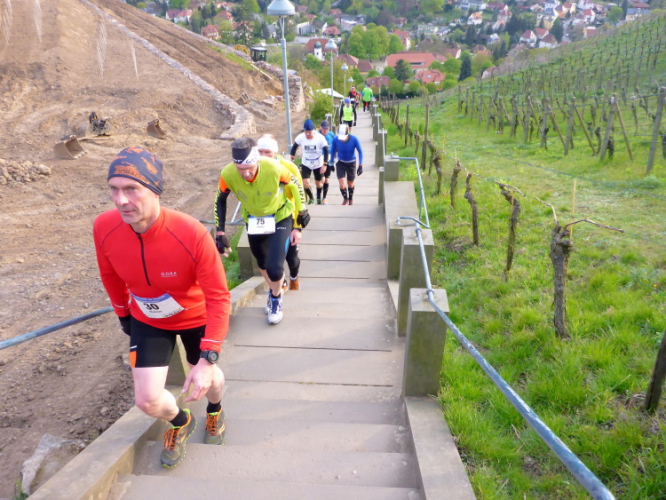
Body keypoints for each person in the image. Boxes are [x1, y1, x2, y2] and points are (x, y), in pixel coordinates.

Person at [94, 147, 230, 469]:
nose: (121, 200)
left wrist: (208, 358)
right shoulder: (104, 227)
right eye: (114, 189)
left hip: (196, 317)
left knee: (208, 377)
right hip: (148, 319)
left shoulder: (191, 234)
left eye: (131, 189)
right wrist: (123, 315)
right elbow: (110, 275)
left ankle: (215, 410)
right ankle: (181, 421)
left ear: (155, 190)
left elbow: (219, 297)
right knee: (147, 400)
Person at [215, 138, 310, 324]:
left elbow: (295, 185)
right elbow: (219, 200)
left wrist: (302, 212)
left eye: (249, 168)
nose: (245, 173)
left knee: (275, 268)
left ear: (257, 160)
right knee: (262, 263)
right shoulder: (227, 173)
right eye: (240, 169)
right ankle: (275, 288)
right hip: (254, 220)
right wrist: (220, 232)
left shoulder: (274, 168)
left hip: (280, 216)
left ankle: (275, 298)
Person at [256, 134, 304, 291]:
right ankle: (280, 283)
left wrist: (297, 226)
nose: (263, 156)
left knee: (291, 257)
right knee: (271, 257)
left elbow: (300, 196)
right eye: (260, 152)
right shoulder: (254, 166)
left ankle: (294, 276)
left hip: (288, 216)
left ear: (275, 152)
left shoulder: (289, 167)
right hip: (265, 218)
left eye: (267, 152)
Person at [290, 119, 330, 205]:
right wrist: (292, 156)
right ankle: (311, 197)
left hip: (318, 162)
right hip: (306, 163)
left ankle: (318, 197)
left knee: (319, 183)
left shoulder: (320, 137)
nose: (308, 134)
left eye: (309, 132)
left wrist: (325, 164)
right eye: (306, 132)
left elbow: (326, 150)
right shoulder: (301, 137)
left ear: (313, 130)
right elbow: (294, 147)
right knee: (306, 183)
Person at [329, 124, 363, 205]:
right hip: (340, 162)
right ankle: (345, 198)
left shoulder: (354, 139)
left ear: (348, 134)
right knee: (342, 183)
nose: (342, 140)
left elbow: (360, 151)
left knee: (350, 183)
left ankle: (350, 199)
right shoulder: (335, 139)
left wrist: (360, 165)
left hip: (351, 163)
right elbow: (332, 151)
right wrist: (331, 163)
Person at [319, 120, 336, 204]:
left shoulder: (331, 135)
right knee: (321, 180)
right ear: (320, 128)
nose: (325, 131)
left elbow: (335, 146)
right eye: (324, 129)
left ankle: (324, 197)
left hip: (328, 160)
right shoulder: (317, 135)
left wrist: (333, 162)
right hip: (319, 159)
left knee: (326, 179)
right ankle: (318, 194)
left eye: (327, 129)